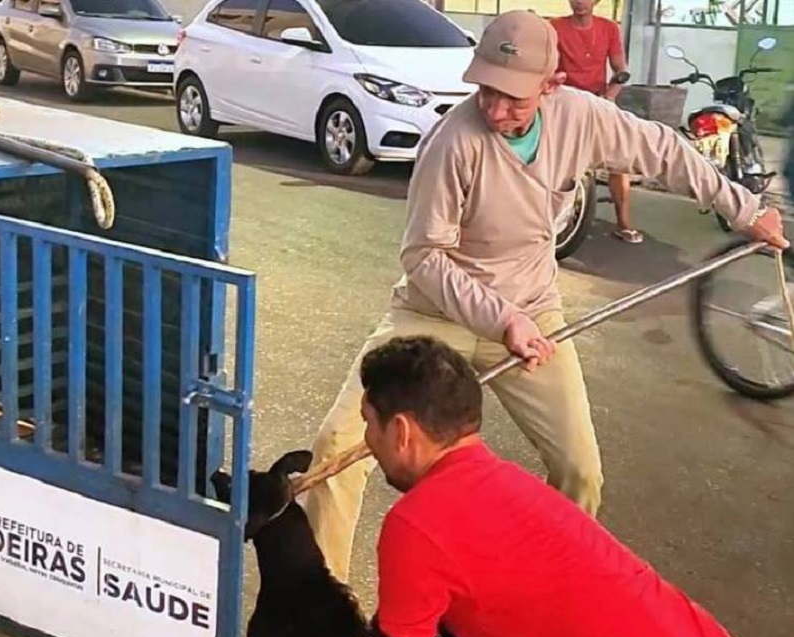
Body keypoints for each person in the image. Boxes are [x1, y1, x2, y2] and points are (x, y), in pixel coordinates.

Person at [303, 10, 789, 583]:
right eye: (486, 91)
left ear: (552, 84)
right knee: (336, 449)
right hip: (435, 312)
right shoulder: (453, 141)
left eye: (513, 98)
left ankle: (543, 592)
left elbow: (663, 149)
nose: (495, 110)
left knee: (580, 472)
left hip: (532, 310)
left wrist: (746, 210)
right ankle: (323, 613)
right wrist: (501, 318)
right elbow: (424, 257)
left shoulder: (580, 117)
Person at [292, 335, 766, 637]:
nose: (367, 441)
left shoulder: (418, 524)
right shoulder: (509, 485)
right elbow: (441, 633)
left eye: (369, 423)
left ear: (401, 431)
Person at [550, 0, 642, 244]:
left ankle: (623, 222)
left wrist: (610, 96)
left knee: (619, 159)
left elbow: (620, 69)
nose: (580, 1)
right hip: (564, 101)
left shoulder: (608, 28)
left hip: (599, 100)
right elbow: (547, 65)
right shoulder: (555, 27)